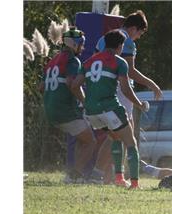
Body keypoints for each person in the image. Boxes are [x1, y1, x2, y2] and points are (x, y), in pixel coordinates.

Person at [73, 30, 149, 189]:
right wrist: (139, 104)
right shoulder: (120, 62)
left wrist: (86, 102)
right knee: (131, 143)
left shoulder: (88, 62)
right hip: (110, 108)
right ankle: (134, 184)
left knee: (115, 138)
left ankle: (119, 179)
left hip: (91, 112)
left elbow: (75, 86)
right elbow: (126, 89)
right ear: (120, 46)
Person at [95, 10, 163, 181]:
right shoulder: (127, 41)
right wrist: (151, 84)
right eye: (140, 33)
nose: (138, 37)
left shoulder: (105, 38)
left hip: (104, 88)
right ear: (133, 28)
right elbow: (130, 71)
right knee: (126, 135)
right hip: (119, 89)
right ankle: (112, 175)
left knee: (114, 134)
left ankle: (109, 175)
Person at [40, 27, 96, 183]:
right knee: (91, 141)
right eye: (81, 44)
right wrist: (86, 102)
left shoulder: (52, 61)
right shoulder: (72, 60)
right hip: (65, 111)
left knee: (82, 140)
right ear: (74, 44)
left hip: (51, 110)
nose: (82, 47)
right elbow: (73, 85)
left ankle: (73, 173)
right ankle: (74, 176)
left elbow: (41, 87)